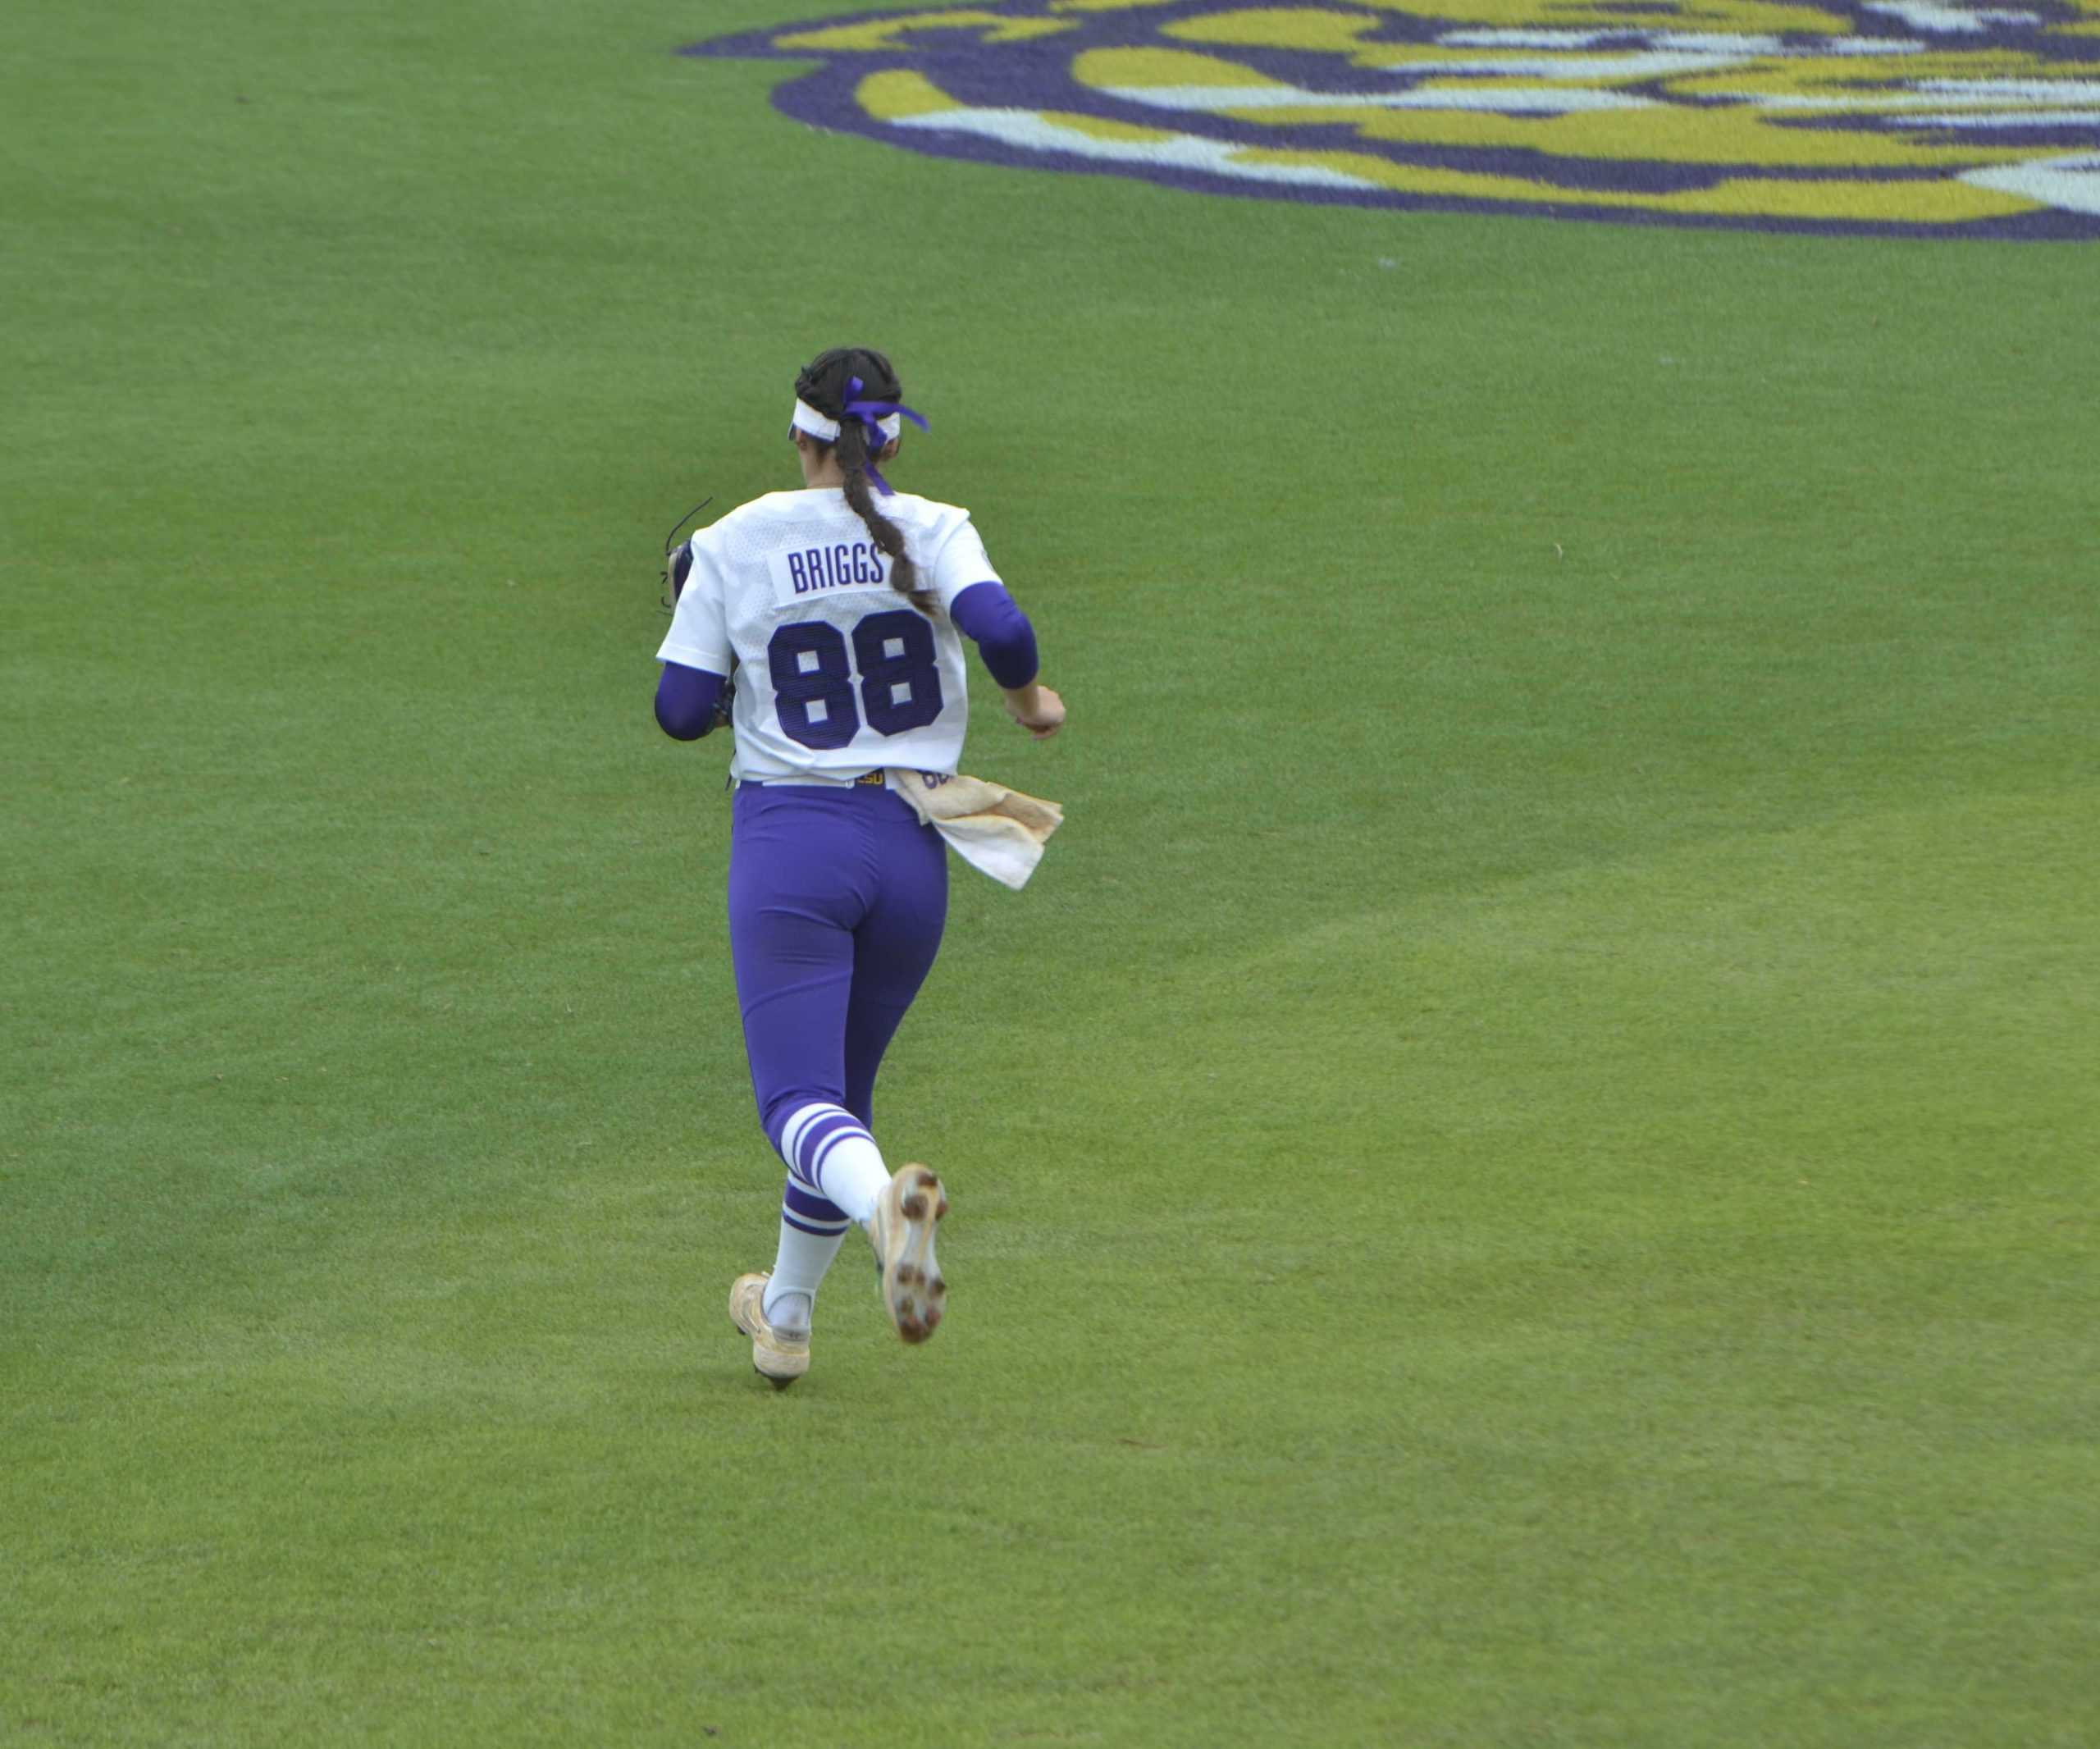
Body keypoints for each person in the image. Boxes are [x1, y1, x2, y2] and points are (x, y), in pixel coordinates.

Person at [653, 346, 1065, 1386]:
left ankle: (890, 1214)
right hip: (912, 852)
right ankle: (784, 1319)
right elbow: (1002, 628)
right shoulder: (932, 526)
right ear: (888, 437)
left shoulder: (734, 539)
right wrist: (1028, 701)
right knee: (843, 1100)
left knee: (795, 1099)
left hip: (794, 845)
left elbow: (677, 713)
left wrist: (701, 623)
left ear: (800, 437)